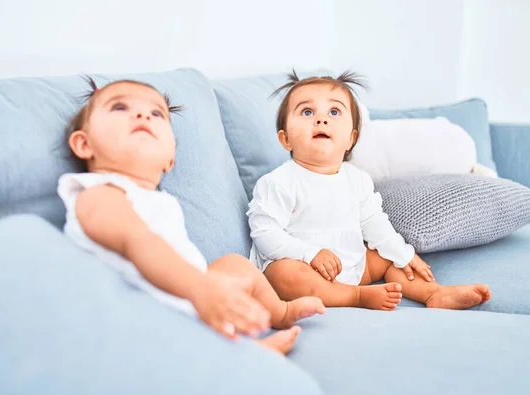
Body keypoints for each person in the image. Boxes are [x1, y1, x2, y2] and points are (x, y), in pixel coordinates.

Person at [57, 77, 325, 354]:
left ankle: (279, 313)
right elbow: (136, 240)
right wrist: (200, 288)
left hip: (187, 293)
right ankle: (239, 356)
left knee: (235, 265)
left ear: (170, 158)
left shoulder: (157, 201)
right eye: (119, 108)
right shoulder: (97, 193)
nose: (142, 115)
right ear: (83, 144)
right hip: (140, 311)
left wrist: (205, 287)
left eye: (156, 113)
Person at [248, 70, 491, 311]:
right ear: (285, 139)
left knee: (387, 255)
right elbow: (265, 233)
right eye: (307, 111)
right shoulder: (278, 182)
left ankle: (434, 293)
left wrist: (403, 254)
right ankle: (355, 296)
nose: (321, 119)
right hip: (305, 268)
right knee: (282, 272)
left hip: (353, 266)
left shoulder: (357, 180)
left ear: (351, 138)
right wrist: (309, 254)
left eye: (334, 111)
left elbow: (374, 223)